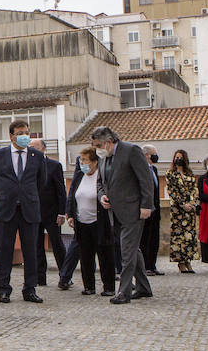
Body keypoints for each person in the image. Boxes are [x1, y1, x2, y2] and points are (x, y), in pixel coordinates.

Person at [93, 126, 155, 304]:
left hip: (133, 210)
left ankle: (124, 291)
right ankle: (144, 287)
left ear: (109, 142)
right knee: (133, 250)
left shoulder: (131, 151)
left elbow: (145, 179)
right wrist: (102, 196)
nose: (97, 149)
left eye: (98, 145)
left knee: (127, 251)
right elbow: (101, 183)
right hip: (115, 211)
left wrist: (146, 205)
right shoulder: (104, 158)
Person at [0, 119, 45, 303]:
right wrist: (6, 195)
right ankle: (4, 289)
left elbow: (41, 182)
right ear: (11, 136)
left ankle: (30, 289)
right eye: (20, 133)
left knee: (31, 250)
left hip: (29, 209)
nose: (24, 136)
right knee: (4, 250)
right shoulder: (0, 154)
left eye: (26, 132)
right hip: (6, 209)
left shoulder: (36, 156)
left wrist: (27, 195)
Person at [60, 148, 114, 295]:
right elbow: (72, 196)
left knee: (105, 255)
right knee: (85, 256)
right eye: (81, 160)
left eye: (85, 160)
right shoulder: (79, 176)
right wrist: (70, 214)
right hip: (81, 222)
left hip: (99, 222)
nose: (82, 163)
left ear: (95, 162)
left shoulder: (102, 177)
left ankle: (108, 287)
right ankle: (89, 286)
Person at [30, 139, 68, 288]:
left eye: (35, 147)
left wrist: (61, 212)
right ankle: (40, 277)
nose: (33, 150)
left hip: (52, 212)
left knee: (57, 244)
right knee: (37, 246)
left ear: (43, 149)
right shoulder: (28, 166)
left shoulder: (54, 165)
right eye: (30, 147)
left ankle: (65, 275)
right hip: (34, 212)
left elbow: (61, 190)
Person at [166, 150, 199, 273]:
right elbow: (172, 191)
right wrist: (182, 204)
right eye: (176, 157)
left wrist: (191, 203)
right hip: (178, 211)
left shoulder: (189, 174)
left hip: (189, 211)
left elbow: (194, 190)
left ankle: (188, 260)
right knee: (179, 237)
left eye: (180, 157)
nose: (178, 159)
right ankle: (180, 262)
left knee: (189, 236)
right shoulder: (171, 173)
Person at [141, 145, 164, 276]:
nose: (155, 156)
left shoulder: (153, 169)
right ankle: (145, 265)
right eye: (154, 154)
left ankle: (152, 265)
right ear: (147, 155)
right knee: (145, 239)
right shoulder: (141, 170)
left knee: (154, 239)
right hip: (146, 209)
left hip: (156, 210)